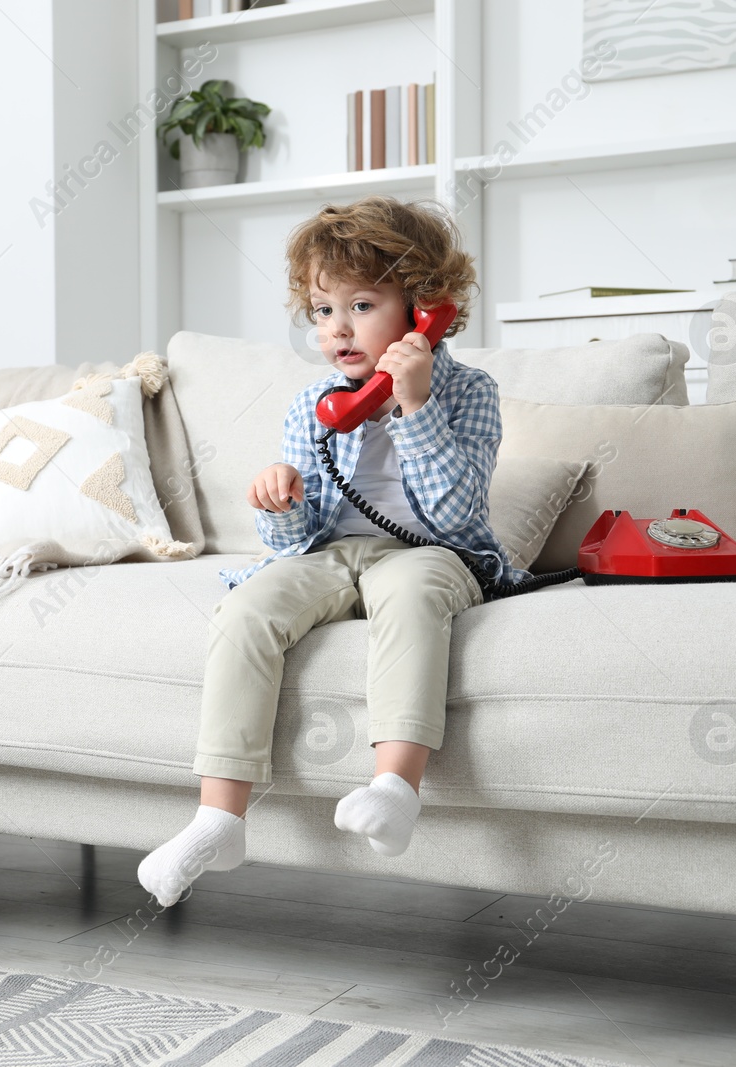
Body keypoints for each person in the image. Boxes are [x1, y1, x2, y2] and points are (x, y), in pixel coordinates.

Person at [137, 195, 527, 907]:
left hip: (432, 553)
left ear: (424, 310)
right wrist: (280, 500)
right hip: (331, 552)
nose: (338, 328)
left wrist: (414, 406)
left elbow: (453, 513)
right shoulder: (312, 406)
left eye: (362, 304)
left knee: (410, 597)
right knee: (247, 608)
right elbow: (295, 539)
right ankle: (220, 816)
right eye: (322, 311)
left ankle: (395, 786)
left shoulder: (470, 393)